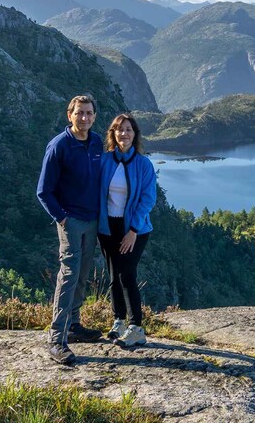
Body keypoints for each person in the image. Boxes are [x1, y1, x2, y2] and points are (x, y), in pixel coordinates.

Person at [37, 95, 105, 364]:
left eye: (89, 113)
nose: (84, 118)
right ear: (70, 115)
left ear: (94, 116)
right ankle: (56, 339)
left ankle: (74, 325)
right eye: (80, 113)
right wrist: (62, 218)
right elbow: (44, 191)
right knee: (68, 275)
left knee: (83, 275)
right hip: (71, 221)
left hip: (93, 220)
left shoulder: (98, 142)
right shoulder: (59, 146)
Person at [98, 113, 157, 347]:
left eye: (129, 129)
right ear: (113, 133)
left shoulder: (143, 164)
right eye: (119, 129)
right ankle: (119, 320)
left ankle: (136, 327)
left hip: (135, 229)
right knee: (113, 277)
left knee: (127, 275)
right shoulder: (105, 161)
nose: (124, 133)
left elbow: (148, 199)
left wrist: (132, 230)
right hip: (107, 227)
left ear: (135, 134)